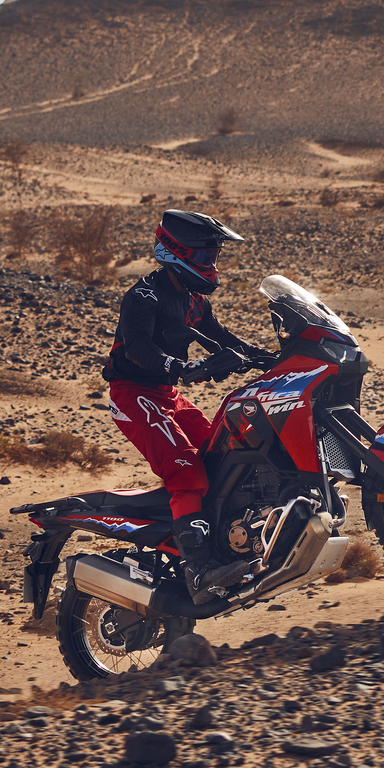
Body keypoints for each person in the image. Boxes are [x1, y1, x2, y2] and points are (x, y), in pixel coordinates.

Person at [102, 210, 274, 603]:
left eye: (213, 257)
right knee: (184, 468)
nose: (211, 264)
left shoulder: (195, 298)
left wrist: (270, 357)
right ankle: (199, 570)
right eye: (204, 257)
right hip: (134, 394)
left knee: (223, 450)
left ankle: (226, 540)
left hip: (166, 394)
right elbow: (138, 347)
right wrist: (181, 367)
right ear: (175, 252)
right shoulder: (144, 296)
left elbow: (222, 337)